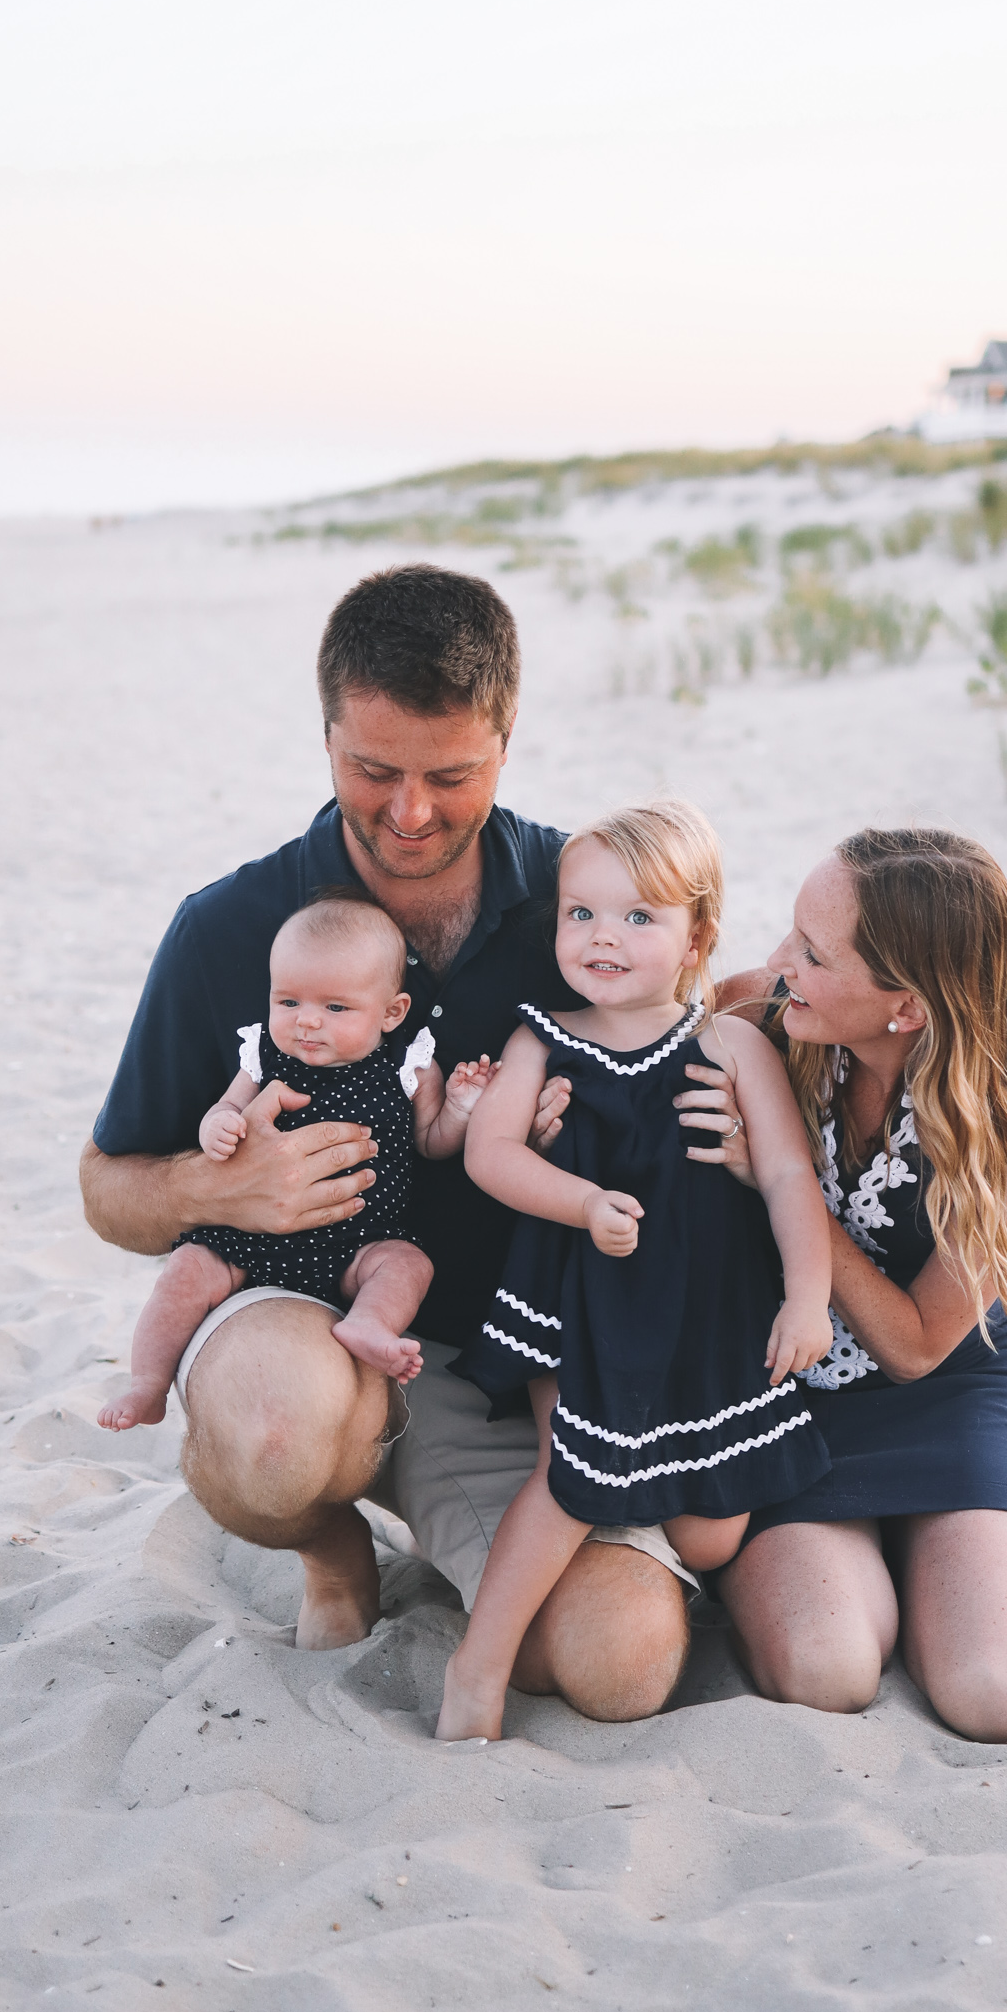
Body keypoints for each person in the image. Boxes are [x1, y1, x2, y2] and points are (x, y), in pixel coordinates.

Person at [79, 564, 697, 1714]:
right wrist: (221, 1187)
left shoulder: (590, 904)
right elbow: (106, 1186)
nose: (410, 812)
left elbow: (718, 1022)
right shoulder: (230, 927)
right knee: (271, 1439)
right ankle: (331, 1547)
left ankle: (467, 1538)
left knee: (626, 1663)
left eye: (451, 776)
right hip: (309, 1327)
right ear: (325, 739)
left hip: (520, 1373)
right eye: (373, 770)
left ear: (507, 741)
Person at [696, 828, 1007, 1742]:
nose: (776, 962)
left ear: (905, 1006)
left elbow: (916, 1345)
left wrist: (781, 1181)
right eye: (791, 931)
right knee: (823, 1669)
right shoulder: (754, 1017)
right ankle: (907, 1574)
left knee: (1001, 1696)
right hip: (783, 1376)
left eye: (813, 953)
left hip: (944, 1384)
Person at [436, 801, 834, 1742]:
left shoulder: (732, 1046)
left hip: (700, 1309)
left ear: (698, 933)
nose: (602, 937)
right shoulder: (546, 1038)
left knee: (709, 1533)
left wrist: (810, 1296)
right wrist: (581, 1204)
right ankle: (477, 1669)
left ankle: (630, 1526)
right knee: (572, 1472)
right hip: (580, 1301)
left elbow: (785, 1174)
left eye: (638, 917)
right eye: (581, 914)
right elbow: (491, 1154)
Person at [95, 891, 498, 1431]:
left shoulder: (409, 1064)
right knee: (186, 1269)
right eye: (288, 1002)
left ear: (391, 1012)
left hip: (358, 1243)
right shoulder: (263, 1054)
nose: (307, 1022)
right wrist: (218, 1127)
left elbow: (433, 1141)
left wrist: (462, 1107)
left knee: (408, 1264)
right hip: (250, 1239)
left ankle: (369, 1325)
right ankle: (147, 1382)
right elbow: (227, 1105)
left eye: (335, 1008)